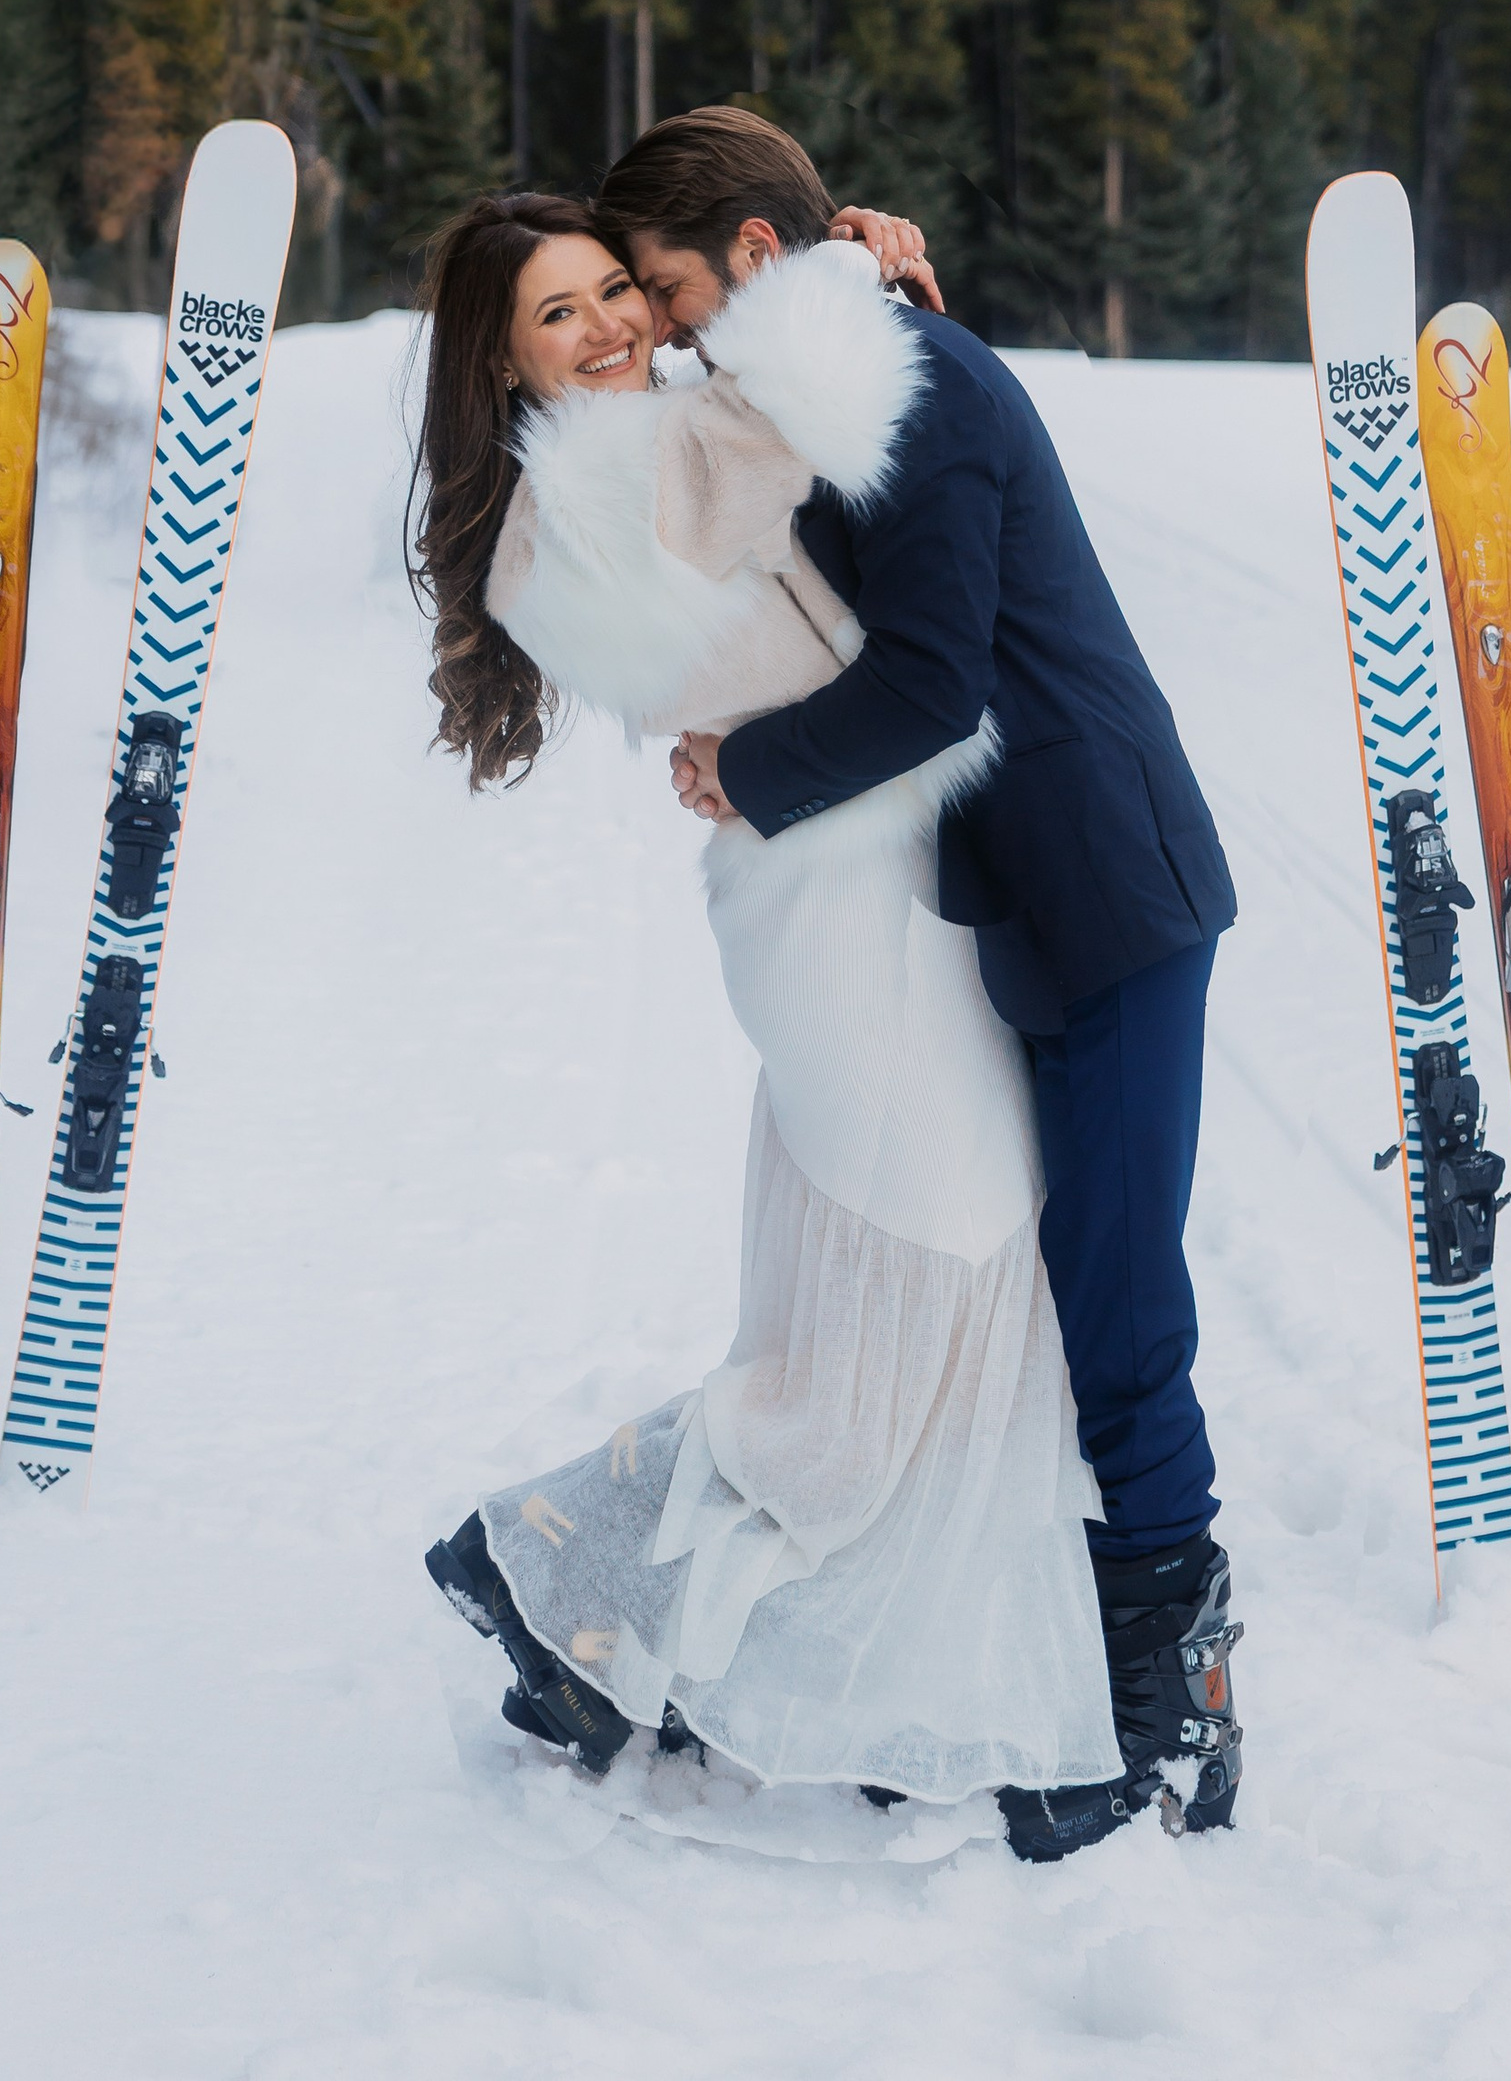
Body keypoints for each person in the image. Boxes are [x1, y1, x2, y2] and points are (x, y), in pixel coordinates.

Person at [410, 188, 1132, 1835]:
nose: (608, 328)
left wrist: (837, 284)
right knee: (932, 1279)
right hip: (835, 904)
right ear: (502, 367)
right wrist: (831, 284)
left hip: (865, 876)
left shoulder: (661, 437)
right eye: (560, 316)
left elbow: (813, 436)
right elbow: (807, 445)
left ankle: (684, 1636)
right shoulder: (591, 496)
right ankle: (574, 1569)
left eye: (614, 291)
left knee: (906, 1290)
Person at [595, 108, 1241, 1856]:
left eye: (669, 290)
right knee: (1051, 1286)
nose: (662, 331)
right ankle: (1052, 1667)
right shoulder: (853, 365)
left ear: (747, 255)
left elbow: (942, 680)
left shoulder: (922, 391)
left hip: (1107, 886)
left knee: (1116, 1301)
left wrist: (750, 766)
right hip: (1020, 894)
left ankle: (1177, 1702)